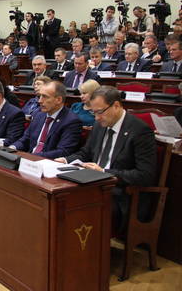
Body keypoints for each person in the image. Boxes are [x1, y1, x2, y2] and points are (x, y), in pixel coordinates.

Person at [56, 86, 156, 232]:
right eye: (93, 112)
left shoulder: (140, 130)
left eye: (100, 112)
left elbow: (145, 175)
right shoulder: (100, 125)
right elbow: (85, 153)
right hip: (92, 186)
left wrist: (104, 172)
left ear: (116, 105)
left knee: (74, 206)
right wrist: (65, 160)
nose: (96, 118)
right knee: (59, 200)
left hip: (120, 194)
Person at [11, 81, 82, 159]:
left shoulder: (71, 121)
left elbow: (63, 151)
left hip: (47, 162)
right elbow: (25, 139)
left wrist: (31, 157)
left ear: (58, 100)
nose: (40, 101)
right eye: (40, 96)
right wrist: (12, 148)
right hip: (29, 159)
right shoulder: (38, 115)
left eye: (45, 97)